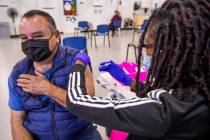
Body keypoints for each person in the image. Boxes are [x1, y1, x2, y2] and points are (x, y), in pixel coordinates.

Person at [26, 0, 210, 139]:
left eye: (148, 47)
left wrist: (78, 63)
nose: (146, 54)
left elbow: (78, 101)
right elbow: (164, 94)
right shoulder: (196, 89)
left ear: (174, 50)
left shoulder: (171, 112)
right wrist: (131, 82)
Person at [8, 10, 101, 140]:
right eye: (24, 38)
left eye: (38, 36)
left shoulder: (77, 61)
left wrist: (48, 89)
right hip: (39, 136)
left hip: (81, 133)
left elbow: (88, 107)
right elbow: (17, 119)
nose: (31, 43)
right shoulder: (18, 73)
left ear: (56, 36)